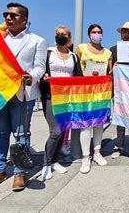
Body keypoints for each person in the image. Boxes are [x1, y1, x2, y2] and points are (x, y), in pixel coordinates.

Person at [0, 2, 47, 192]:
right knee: (0, 133)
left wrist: (32, 77)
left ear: (24, 20)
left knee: (21, 134)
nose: (8, 18)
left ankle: (20, 172)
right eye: (6, 14)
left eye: (13, 15)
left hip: (22, 94)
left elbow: (40, 66)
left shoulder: (37, 41)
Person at [40, 25, 82, 181]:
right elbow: (40, 70)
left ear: (69, 37)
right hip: (51, 96)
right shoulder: (48, 53)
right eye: (58, 34)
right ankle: (46, 163)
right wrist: (42, 76)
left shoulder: (73, 57)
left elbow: (78, 78)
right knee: (55, 131)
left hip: (67, 98)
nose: (60, 36)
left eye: (63, 34)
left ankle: (55, 161)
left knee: (64, 130)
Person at [75, 24, 112, 173]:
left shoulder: (108, 52)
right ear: (89, 34)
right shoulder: (81, 48)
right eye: (93, 32)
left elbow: (109, 72)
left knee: (99, 124)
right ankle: (86, 157)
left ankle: (97, 153)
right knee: (85, 125)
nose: (96, 34)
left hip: (101, 92)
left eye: (99, 32)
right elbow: (74, 67)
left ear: (102, 34)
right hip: (85, 91)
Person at [109, 21, 129, 158]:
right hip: (118, 90)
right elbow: (109, 71)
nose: (127, 34)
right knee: (119, 118)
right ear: (121, 33)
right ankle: (119, 146)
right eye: (125, 31)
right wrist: (114, 67)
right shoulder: (112, 50)